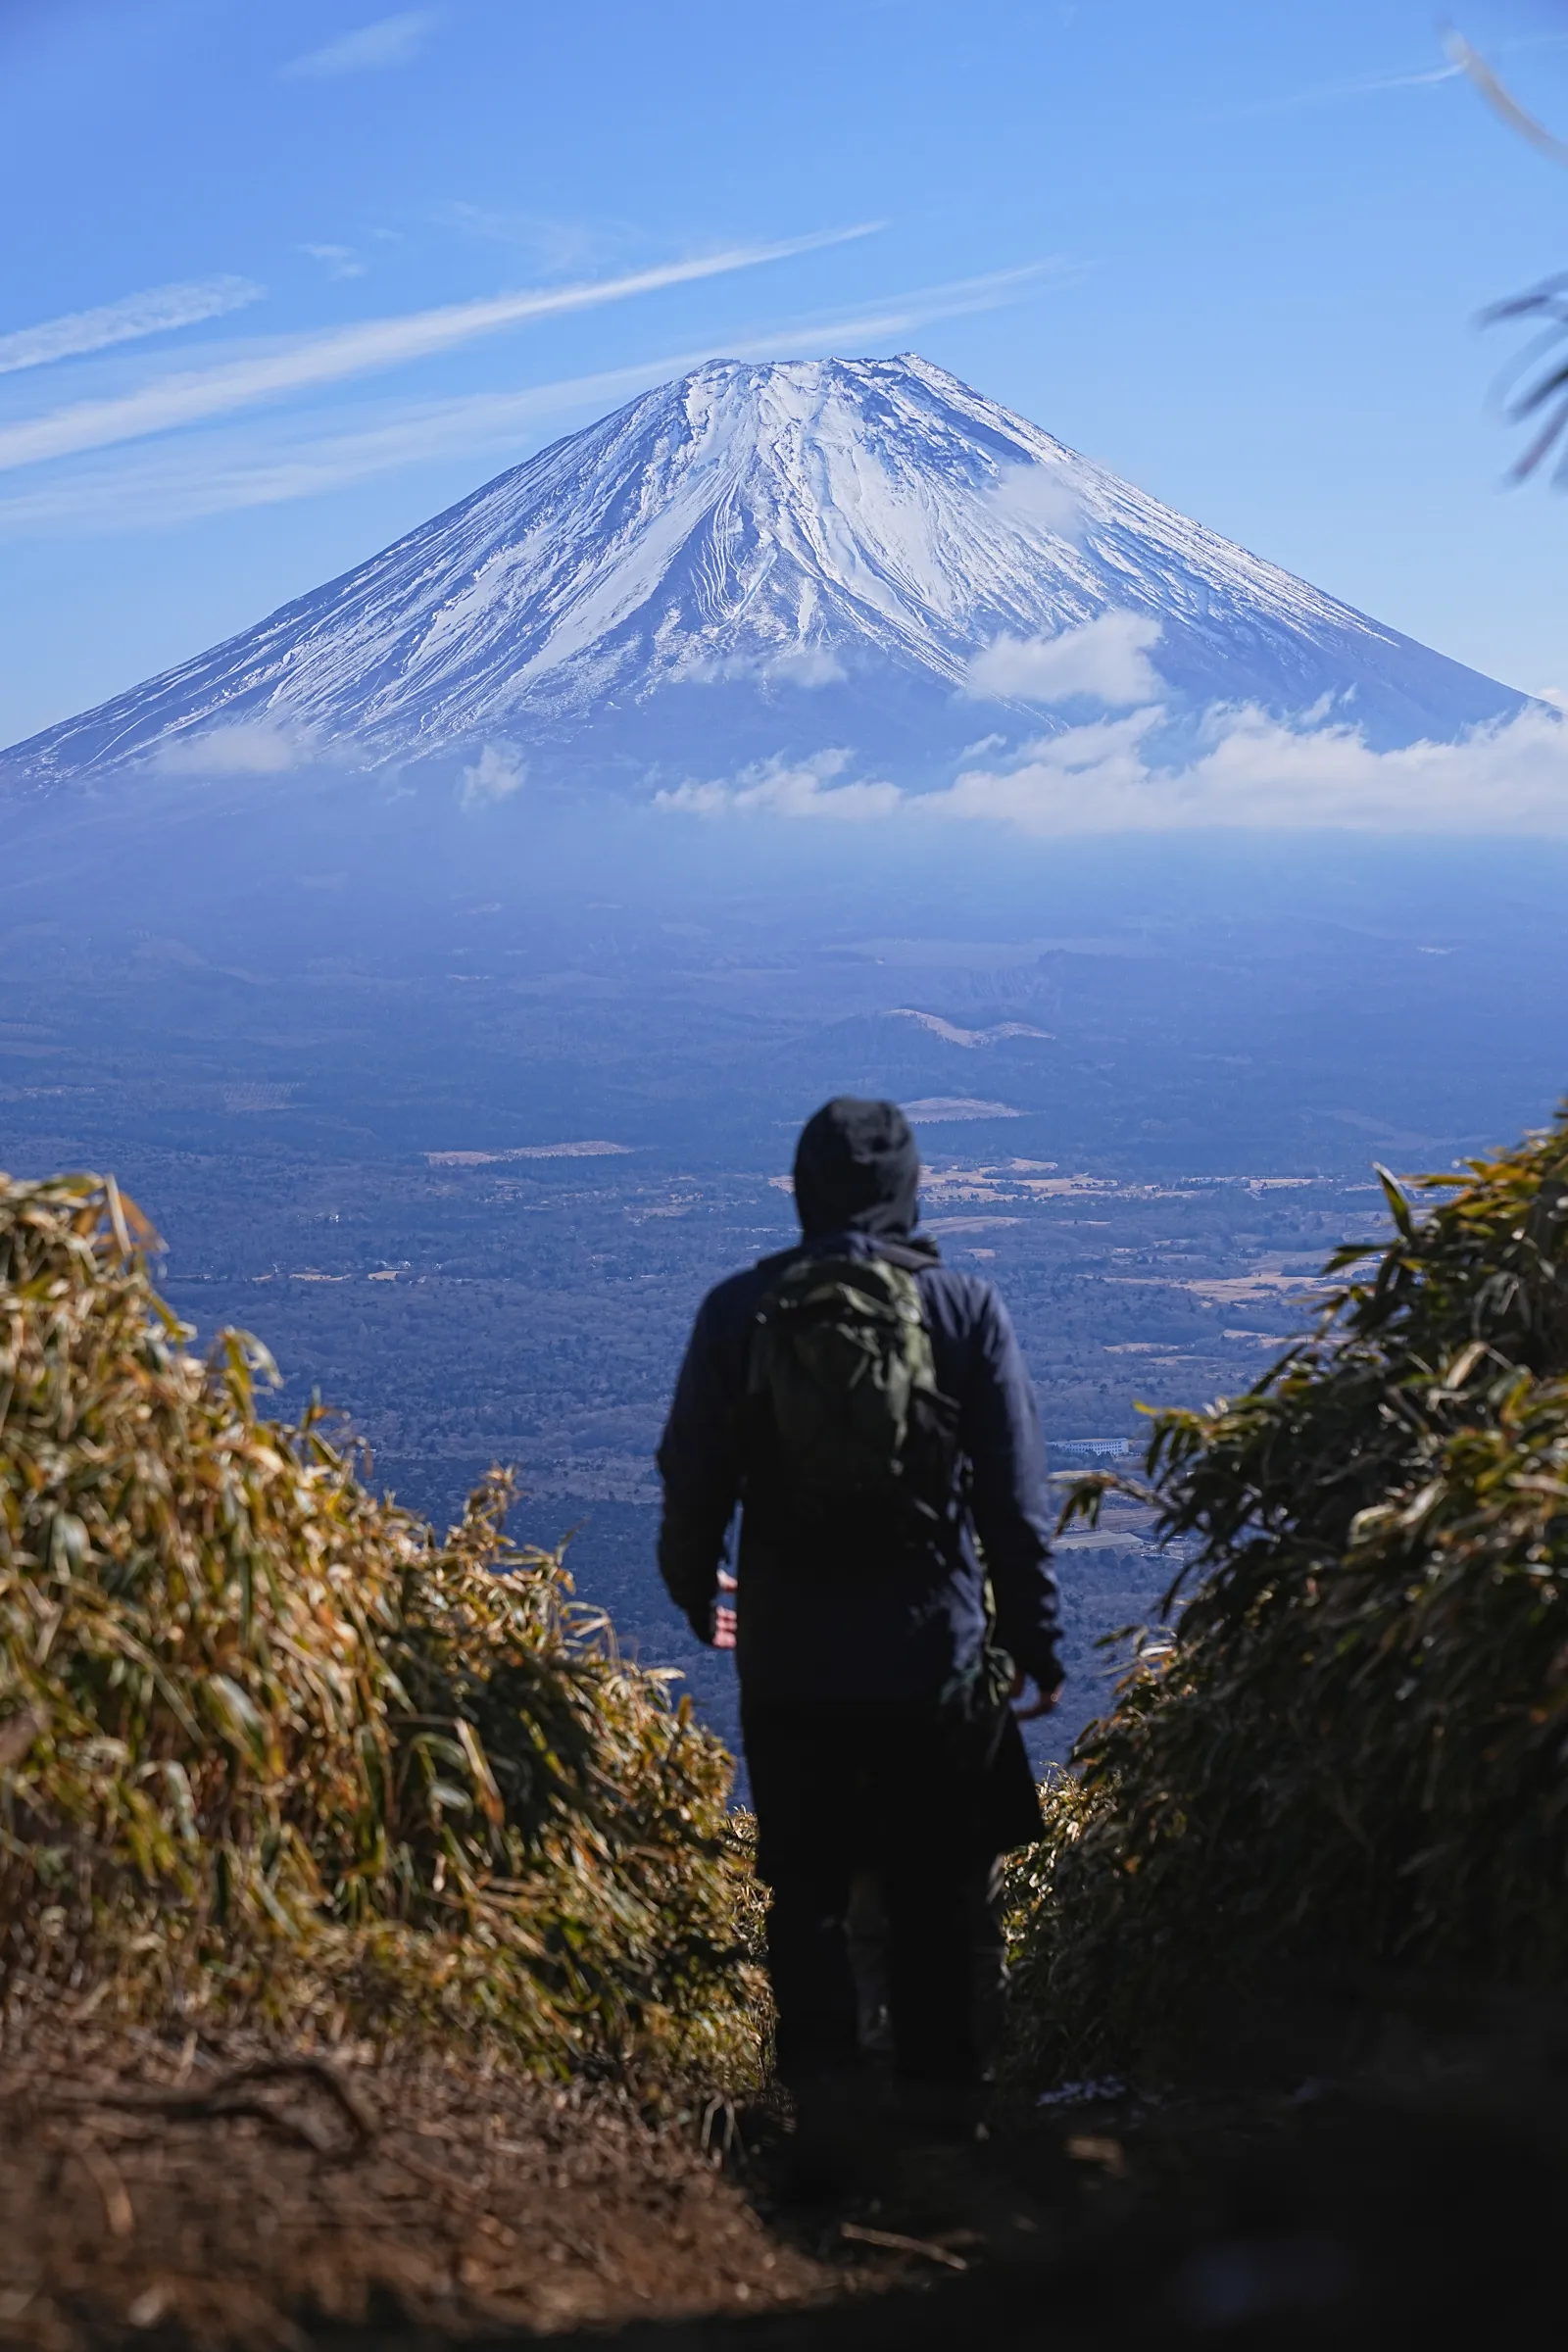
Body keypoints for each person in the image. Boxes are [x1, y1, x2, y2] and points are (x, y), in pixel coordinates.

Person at [657, 1098, 1061, 2150]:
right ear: (908, 1190)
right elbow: (1015, 1504)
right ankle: (941, 2133)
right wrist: (1036, 1643)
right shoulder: (963, 1310)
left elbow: (690, 1479)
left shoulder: (738, 1311)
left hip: (790, 1667)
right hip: (934, 1661)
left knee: (810, 1895)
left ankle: (828, 2128)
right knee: (937, 1900)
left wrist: (698, 1591)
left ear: (802, 1189)